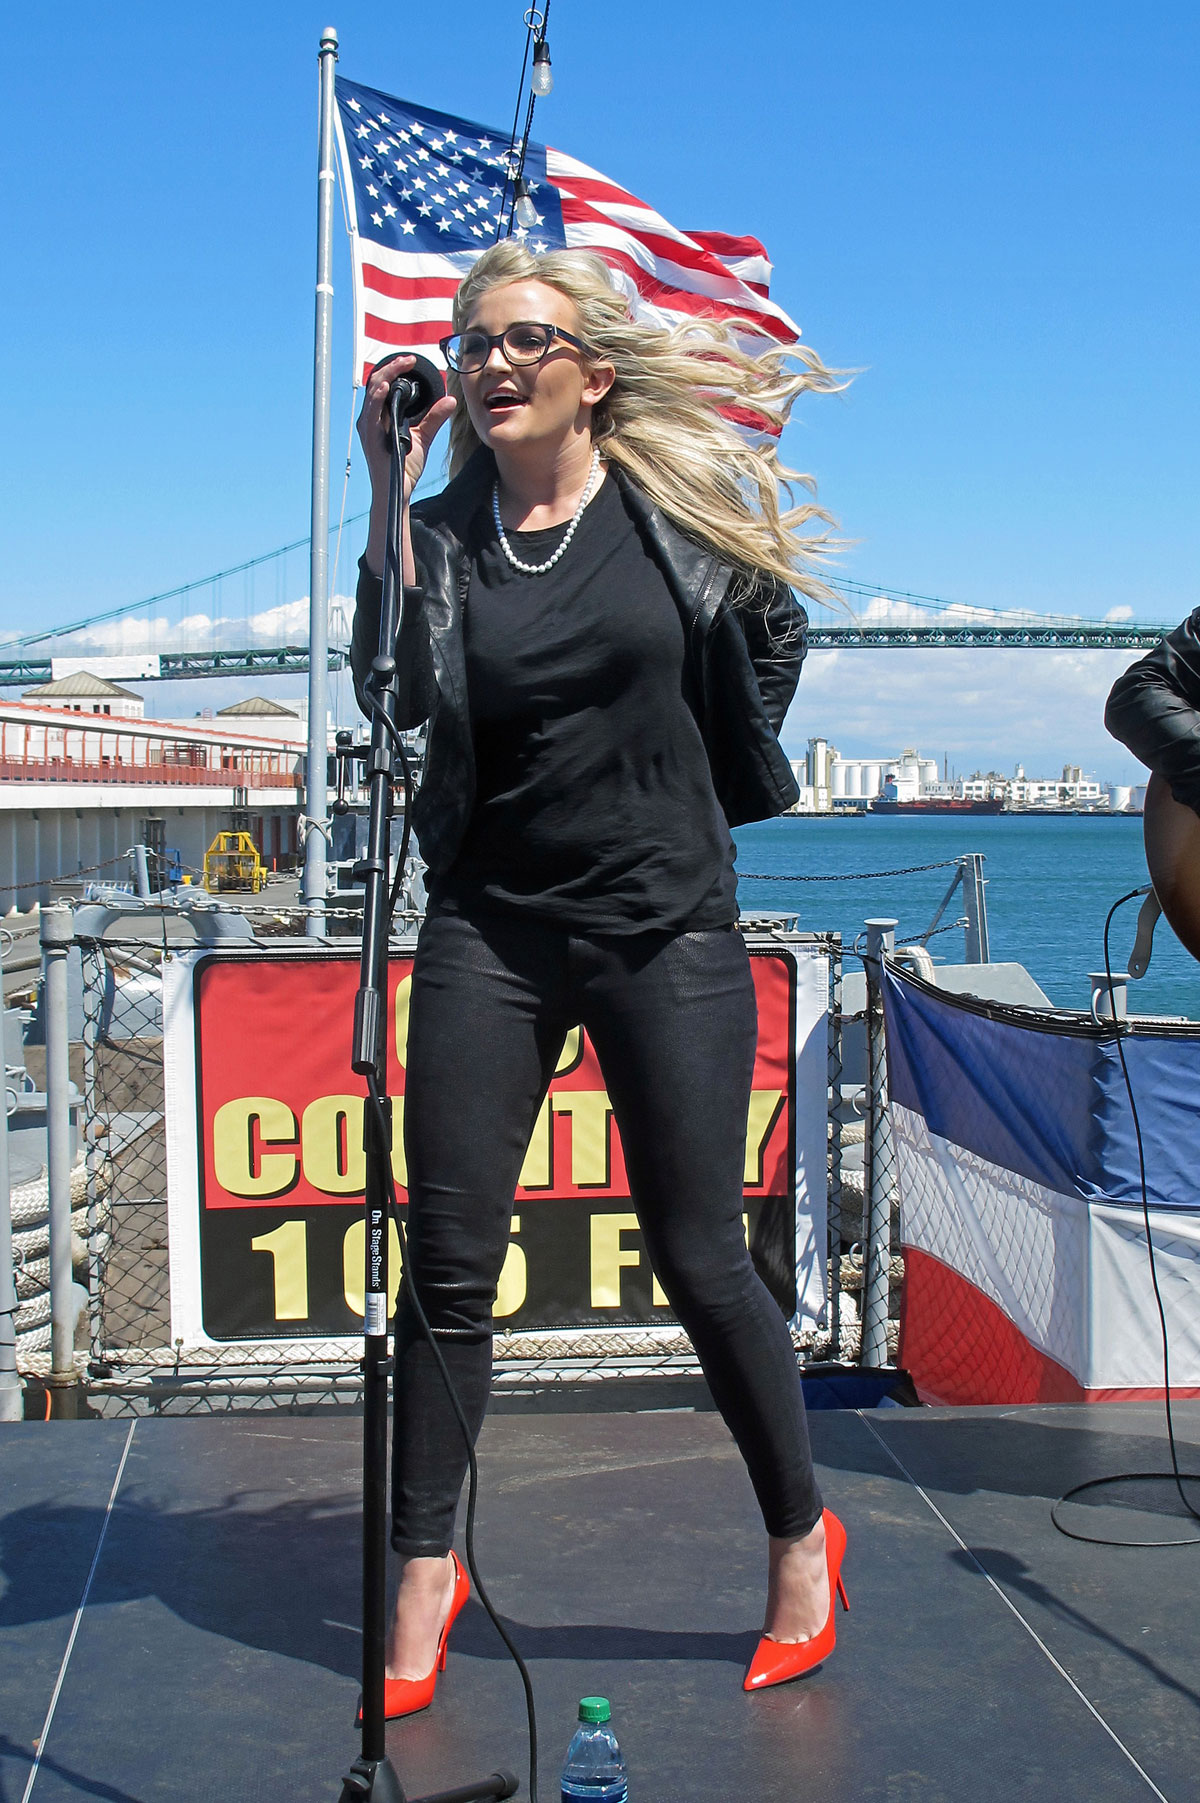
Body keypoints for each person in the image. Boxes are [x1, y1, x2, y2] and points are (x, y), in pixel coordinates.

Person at [351, 241, 848, 1712]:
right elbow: (388, 680)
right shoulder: (439, 537)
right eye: (470, 339)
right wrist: (385, 485)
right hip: (490, 927)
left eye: (521, 339)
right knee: (447, 1267)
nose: (489, 361)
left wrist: (700, 778)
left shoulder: (673, 522)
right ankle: (426, 1571)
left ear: (591, 374)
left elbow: (771, 644)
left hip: (663, 923)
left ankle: (801, 1540)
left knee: (700, 1253)